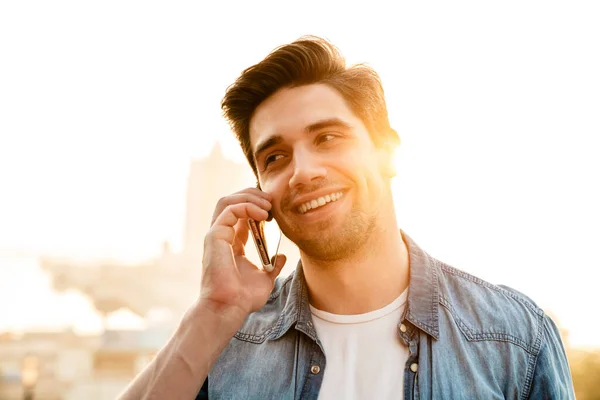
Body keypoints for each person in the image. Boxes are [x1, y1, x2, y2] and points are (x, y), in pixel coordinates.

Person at [119, 36, 575, 399]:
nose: (304, 172)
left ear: (387, 153)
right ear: (260, 193)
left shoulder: (514, 339)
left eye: (328, 137)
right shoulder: (222, 343)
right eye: (275, 157)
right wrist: (213, 313)